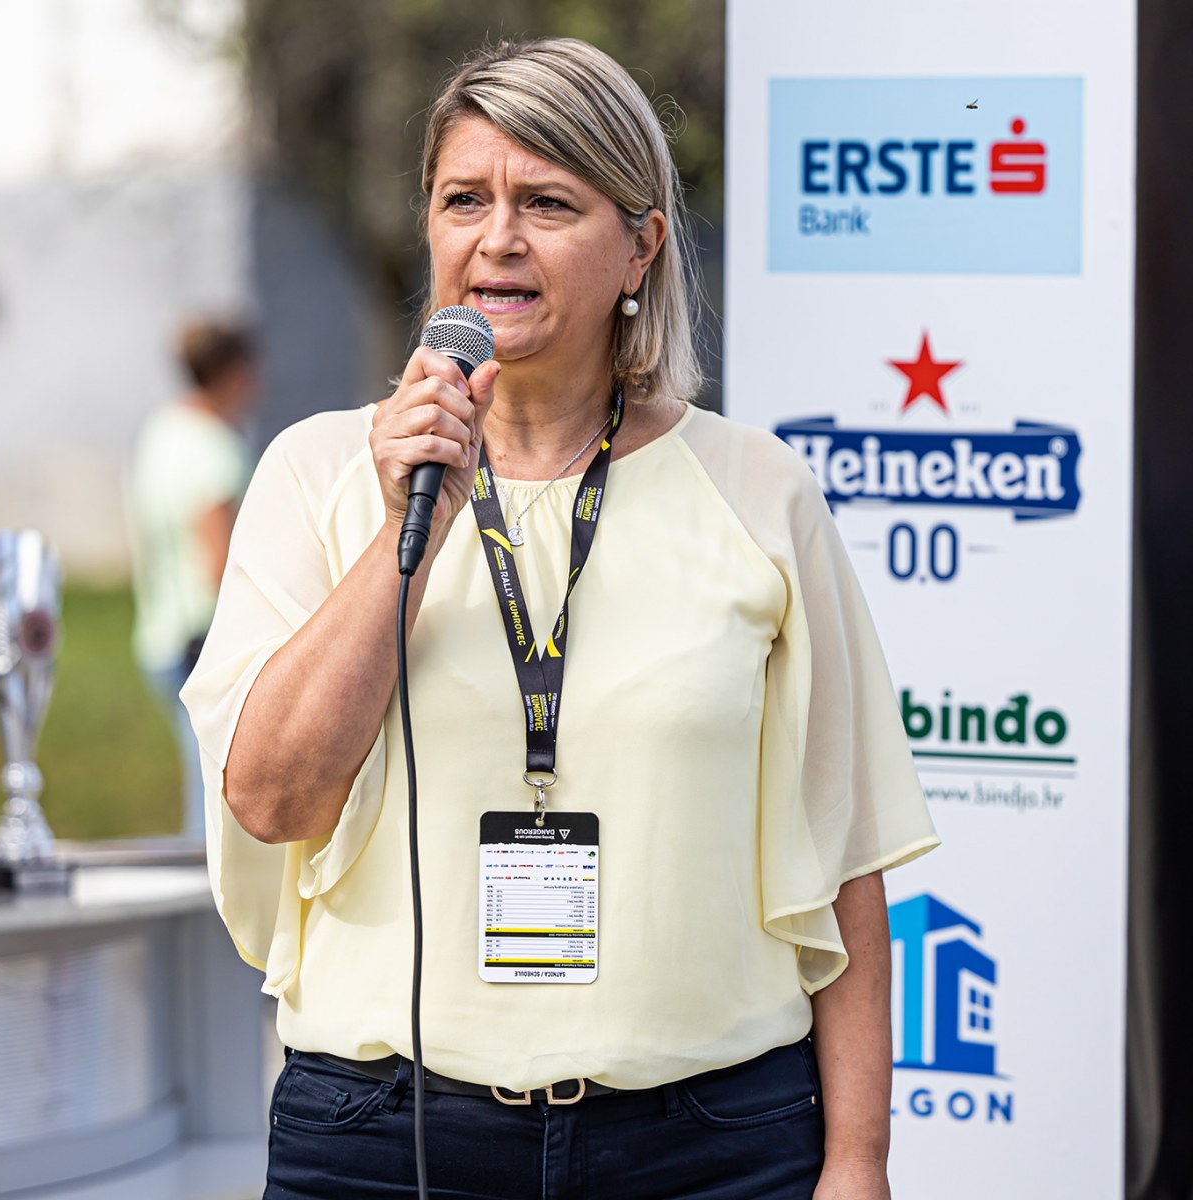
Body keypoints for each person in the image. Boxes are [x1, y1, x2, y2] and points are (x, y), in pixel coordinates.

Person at [182, 38, 937, 1200]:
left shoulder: (759, 491)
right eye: (464, 200)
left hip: (709, 1146)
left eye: (547, 202)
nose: (498, 238)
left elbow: (845, 866)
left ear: (641, 245)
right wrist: (408, 535)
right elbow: (273, 800)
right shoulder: (316, 473)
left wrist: (858, 1161)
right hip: (386, 1139)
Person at [127, 319, 257, 840]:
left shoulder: (163, 430)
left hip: (159, 633)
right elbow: (219, 567)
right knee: (214, 811)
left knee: (203, 792)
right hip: (203, 644)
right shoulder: (216, 450)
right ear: (234, 372)